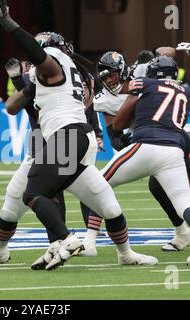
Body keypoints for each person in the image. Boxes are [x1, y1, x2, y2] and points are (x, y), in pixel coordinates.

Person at [0, 1, 157, 270]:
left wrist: (10, 26)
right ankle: (126, 253)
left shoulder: (53, 63)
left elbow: (37, 55)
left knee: (33, 192)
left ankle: (66, 239)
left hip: (67, 136)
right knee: (106, 202)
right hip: (77, 138)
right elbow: (12, 107)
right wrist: (22, 84)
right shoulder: (68, 73)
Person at [82, 51, 190, 256]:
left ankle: (89, 241)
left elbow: (119, 124)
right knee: (183, 202)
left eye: (114, 74)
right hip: (174, 147)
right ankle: (182, 232)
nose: (111, 79)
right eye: (107, 77)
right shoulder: (184, 90)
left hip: (148, 142)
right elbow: (114, 134)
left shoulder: (142, 81)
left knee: (98, 183)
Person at [0, 57, 67, 268]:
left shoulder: (65, 82)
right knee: (12, 202)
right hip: (46, 148)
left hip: (66, 147)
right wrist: (20, 82)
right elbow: (23, 106)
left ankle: (72, 241)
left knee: (99, 195)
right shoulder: (43, 80)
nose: (33, 67)